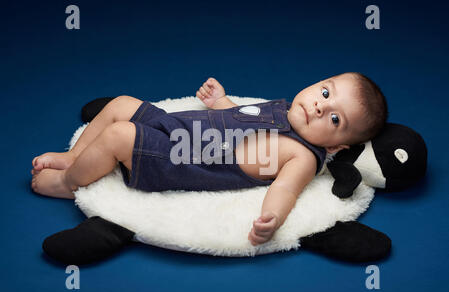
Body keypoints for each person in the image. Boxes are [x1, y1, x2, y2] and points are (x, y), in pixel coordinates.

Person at [31, 72, 388, 246]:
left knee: (118, 135)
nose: (320, 105)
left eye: (335, 119)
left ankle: (69, 182)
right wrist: (221, 102)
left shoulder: (302, 155)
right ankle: (72, 157)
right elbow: (242, 117)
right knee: (122, 104)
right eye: (325, 92)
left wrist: (272, 218)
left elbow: (286, 190)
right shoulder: (283, 107)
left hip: (180, 156)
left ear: (338, 147)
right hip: (180, 127)